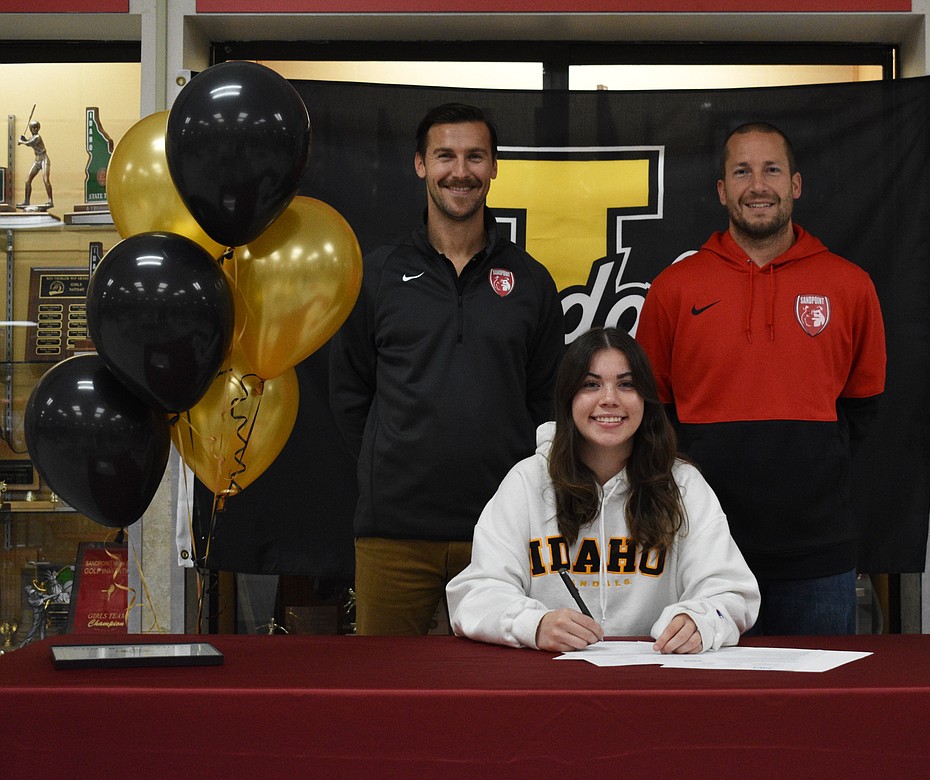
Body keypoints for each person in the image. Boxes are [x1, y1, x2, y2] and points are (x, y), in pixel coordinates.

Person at [635, 122, 886, 636]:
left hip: (817, 553)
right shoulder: (674, 288)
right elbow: (650, 417)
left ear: (795, 184)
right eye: (742, 172)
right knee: (710, 712)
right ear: (722, 190)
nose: (758, 186)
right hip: (701, 550)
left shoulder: (850, 285)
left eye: (772, 170)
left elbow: (864, 414)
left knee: (817, 710)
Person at [330, 103, 565, 635]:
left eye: (475, 157)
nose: (460, 172)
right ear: (419, 165)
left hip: (502, 532)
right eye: (445, 156)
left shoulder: (530, 281)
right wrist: (390, 462)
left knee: (498, 698)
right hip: (393, 533)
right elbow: (349, 395)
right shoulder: (377, 275)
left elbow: (547, 402)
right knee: (387, 697)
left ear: (495, 167)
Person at [447, 327, 759, 653]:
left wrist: (702, 621)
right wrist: (534, 625)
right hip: (551, 681)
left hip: (654, 678)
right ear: (568, 398)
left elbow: (731, 592)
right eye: (591, 384)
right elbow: (475, 593)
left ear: (646, 399)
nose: (609, 399)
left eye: (626, 384)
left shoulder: (683, 484)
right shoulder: (527, 481)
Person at [18, 120, 53, 208]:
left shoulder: (38, 137)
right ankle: (26, 201)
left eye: (37, 127)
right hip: (37, 160)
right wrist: (24, 139)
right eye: (33, 128)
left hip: (44, 159)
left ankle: (50, 200)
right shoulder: (32, 137)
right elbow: (28, 143)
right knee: (27, 181)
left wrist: (22, 141)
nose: (35, 129)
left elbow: (29, 143)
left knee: (45, 180)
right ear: (31, 129)